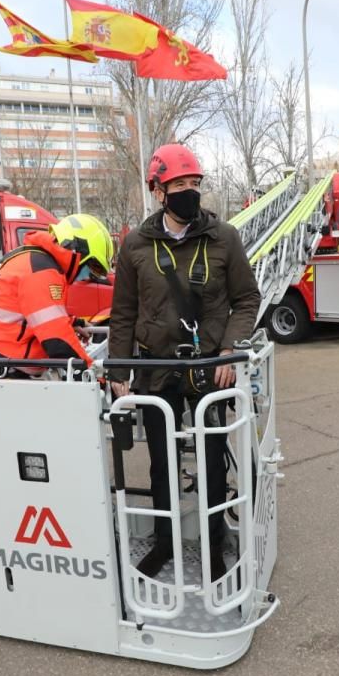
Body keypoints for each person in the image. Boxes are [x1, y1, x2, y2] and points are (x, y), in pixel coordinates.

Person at [108, 143, 262, 579]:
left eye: (194, 184)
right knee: (161, 462)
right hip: (156, 370)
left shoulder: (223, 237)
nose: (189, 192)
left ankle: (212, 545)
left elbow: (246, 299)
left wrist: (231, 349)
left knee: (213, 463)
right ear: (158, 191)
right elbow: (123, 313)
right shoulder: (136, 245)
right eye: (179, 185)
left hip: (210, 367)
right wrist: (120, 371)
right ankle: (164, 542)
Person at [0, 213, 115, 370]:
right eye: (93, 266)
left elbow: (34, 314)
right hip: (2, 364)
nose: (89, 274)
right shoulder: (42, 270)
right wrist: (92, 373)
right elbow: (57, 341)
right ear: (78, 250)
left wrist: (72, 322)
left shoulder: (33, 258)